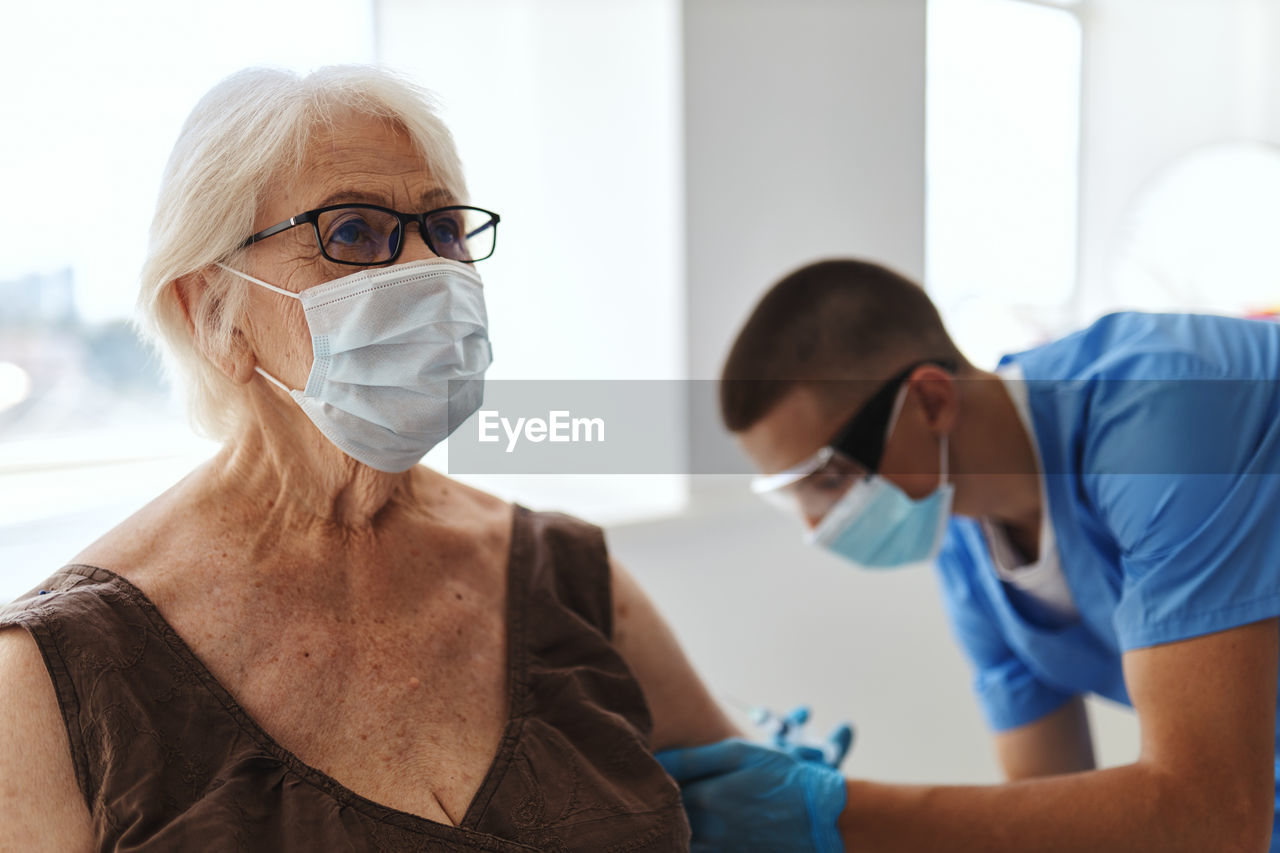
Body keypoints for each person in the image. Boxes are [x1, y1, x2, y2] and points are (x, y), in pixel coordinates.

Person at [0, 65, 741, 852]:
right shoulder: (57, 682)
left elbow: (758, 793)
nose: (426, 271)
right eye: (352, 231)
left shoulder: (562, 574)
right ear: (212, 311)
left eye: (447, 229)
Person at [656, 258, 1280, 852]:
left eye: (828, 479)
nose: (818, 527)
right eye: (792, 497)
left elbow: (1210, 820)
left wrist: (840, 814)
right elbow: (1048, 812)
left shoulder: (1161, 413)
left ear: (930, 401)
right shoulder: (965, 545)